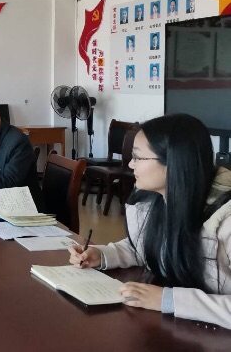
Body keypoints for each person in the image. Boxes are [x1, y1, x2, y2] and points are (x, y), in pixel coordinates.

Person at [68, 114, 231, 330]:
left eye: (138, 157)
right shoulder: (153, 199)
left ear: (173, 161)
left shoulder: (225, 218)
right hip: (181, 328)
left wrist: (169, 300)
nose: (130, 164)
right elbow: (144, 247)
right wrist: (103, 255)